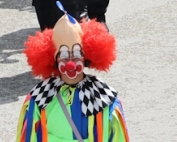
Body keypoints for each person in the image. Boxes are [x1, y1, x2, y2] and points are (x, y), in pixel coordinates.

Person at [13, 11, 129, 142]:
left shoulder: (103, 97)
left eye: (76, 55)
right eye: (63, 56)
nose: (70, 63)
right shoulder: (40, 97)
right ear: (55, 60)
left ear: (86, 58)